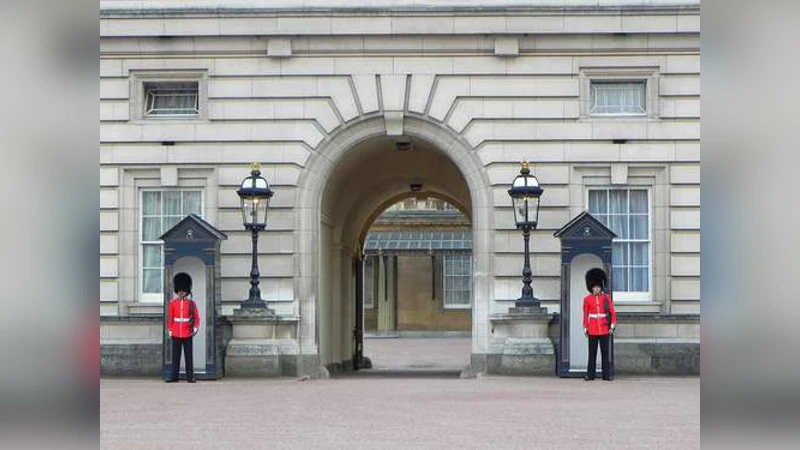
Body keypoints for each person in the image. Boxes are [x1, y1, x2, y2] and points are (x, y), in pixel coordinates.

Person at [583, 270, 617, 381]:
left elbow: (612, 312)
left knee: (605, 353)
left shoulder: (606, 298)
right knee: (592, 353)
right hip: (592, 328)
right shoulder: (587, 299)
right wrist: (585, 326)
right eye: (595, 287)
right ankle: (590, 374)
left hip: (604, 328)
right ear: (591, 288)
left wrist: (612, 325)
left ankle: (606, 375)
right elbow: (586, 314)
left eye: (598, 287)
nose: (597, 289)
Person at [166, 272, 200, 383]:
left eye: (183, 291)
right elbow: (170, 317)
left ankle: (190, 377)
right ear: (177, 291)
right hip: (176, 331)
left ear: (186, 292)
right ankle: (174, 376)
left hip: (187, 332)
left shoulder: (191, 303)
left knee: (188, 356)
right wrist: (169, 329)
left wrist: (195, 327)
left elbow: (196, 317)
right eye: (179, 291)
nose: (181, 292)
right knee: (175, 356)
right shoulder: (173, 303)